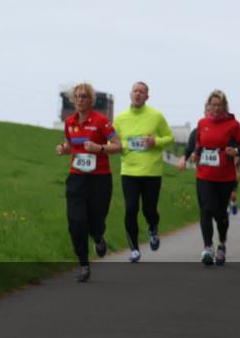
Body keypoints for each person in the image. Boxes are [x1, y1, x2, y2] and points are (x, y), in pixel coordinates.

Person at [56, 82, 122, 282]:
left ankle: (99, 237)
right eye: (76, 96)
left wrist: (99, 148)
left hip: (100, 179)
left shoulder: (101, 121)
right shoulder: (69, 122)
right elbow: (71, 145)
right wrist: (63, 149)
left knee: (96, 220)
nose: (80, 100)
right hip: (77, 177)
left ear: (91, 100)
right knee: (76, 221)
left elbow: (118, 146)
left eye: (84, 96)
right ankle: (84, 264)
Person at [113, 81, 174, 262]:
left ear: (147, 96)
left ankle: (153, 227)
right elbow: (112, 142)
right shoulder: (120, 118)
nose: (138, 94)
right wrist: (125, 145)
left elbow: (169, 137)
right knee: (131, 209)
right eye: (135, 91)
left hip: (151, 172)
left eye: (142, 92)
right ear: (130, 94)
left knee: (149, 210)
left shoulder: (156, 116)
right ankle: (134, 249)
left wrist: (156, 142)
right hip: (129, 171)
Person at [191, 90, 240, 267]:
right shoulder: (202, 123)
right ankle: (207, 248)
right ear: (209, 106)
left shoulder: (233, 125)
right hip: (204, 175)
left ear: (224, 107)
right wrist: (196, 153)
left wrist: (235, 151)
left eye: (219, 105)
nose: (215, 108)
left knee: (220, 214)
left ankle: (221, 244)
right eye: (213, 105)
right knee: (206, 209)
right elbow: (199, 143)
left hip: (225, 176)